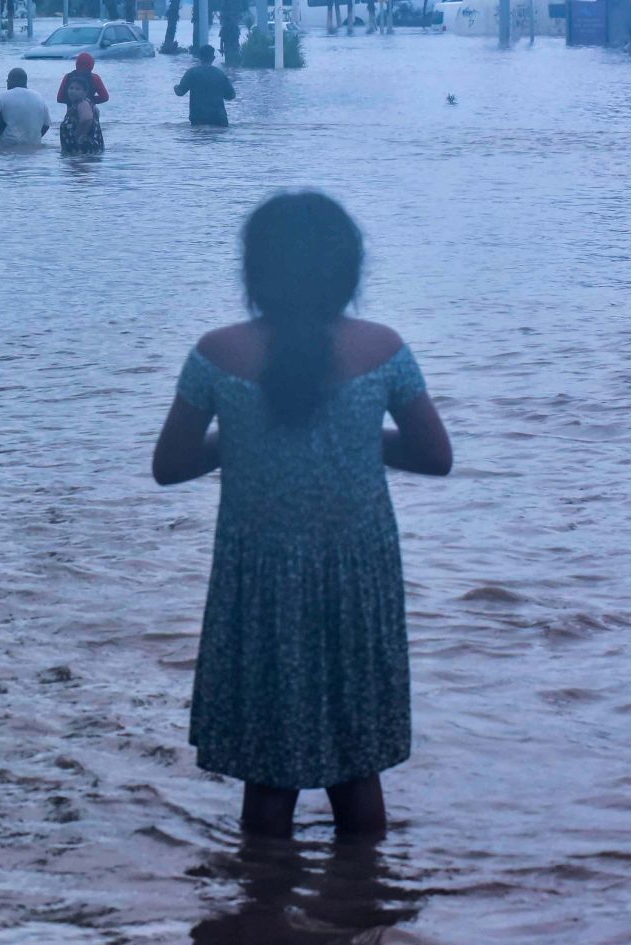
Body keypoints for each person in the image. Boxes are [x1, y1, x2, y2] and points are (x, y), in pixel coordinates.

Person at [151, 191, 452, 841]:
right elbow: (435, 455)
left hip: (259, 581)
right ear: (348, 269)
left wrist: (236, 435)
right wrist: (361, 433)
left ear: (255, 270)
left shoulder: (216, 352)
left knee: (268, 775)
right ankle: (363, 908)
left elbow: (169, 464)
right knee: (356, 771)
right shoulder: (384, 348)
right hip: (356, 575)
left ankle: (258, 916)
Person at [0, 67, 51, 147]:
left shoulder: (3, 97)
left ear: (11, 81)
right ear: (25, 82)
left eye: (7, 81)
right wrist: (36, 136)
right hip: (33, 149)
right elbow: (46, 125)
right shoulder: (39, 98)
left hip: (8, 147)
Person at [57, 52, 108, 155]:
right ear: (92, 65)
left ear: (77, 63)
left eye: (77, 89)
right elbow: (105, 97)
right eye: (72, 89)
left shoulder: (68, 77)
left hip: (73, 114)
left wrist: (74, 101)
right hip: (88, 113)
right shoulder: (95, 78)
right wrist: (92, 101)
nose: (73, 91)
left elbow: (60, 98)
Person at [175, 44, 237, 126]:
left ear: (199, 57)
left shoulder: (192, 73)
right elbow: (231, 95)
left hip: (199, 119)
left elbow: (180, 92)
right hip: (219, 118)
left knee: (200, 138)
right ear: (213, 58)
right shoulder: (220, 74)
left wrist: (175, 87)